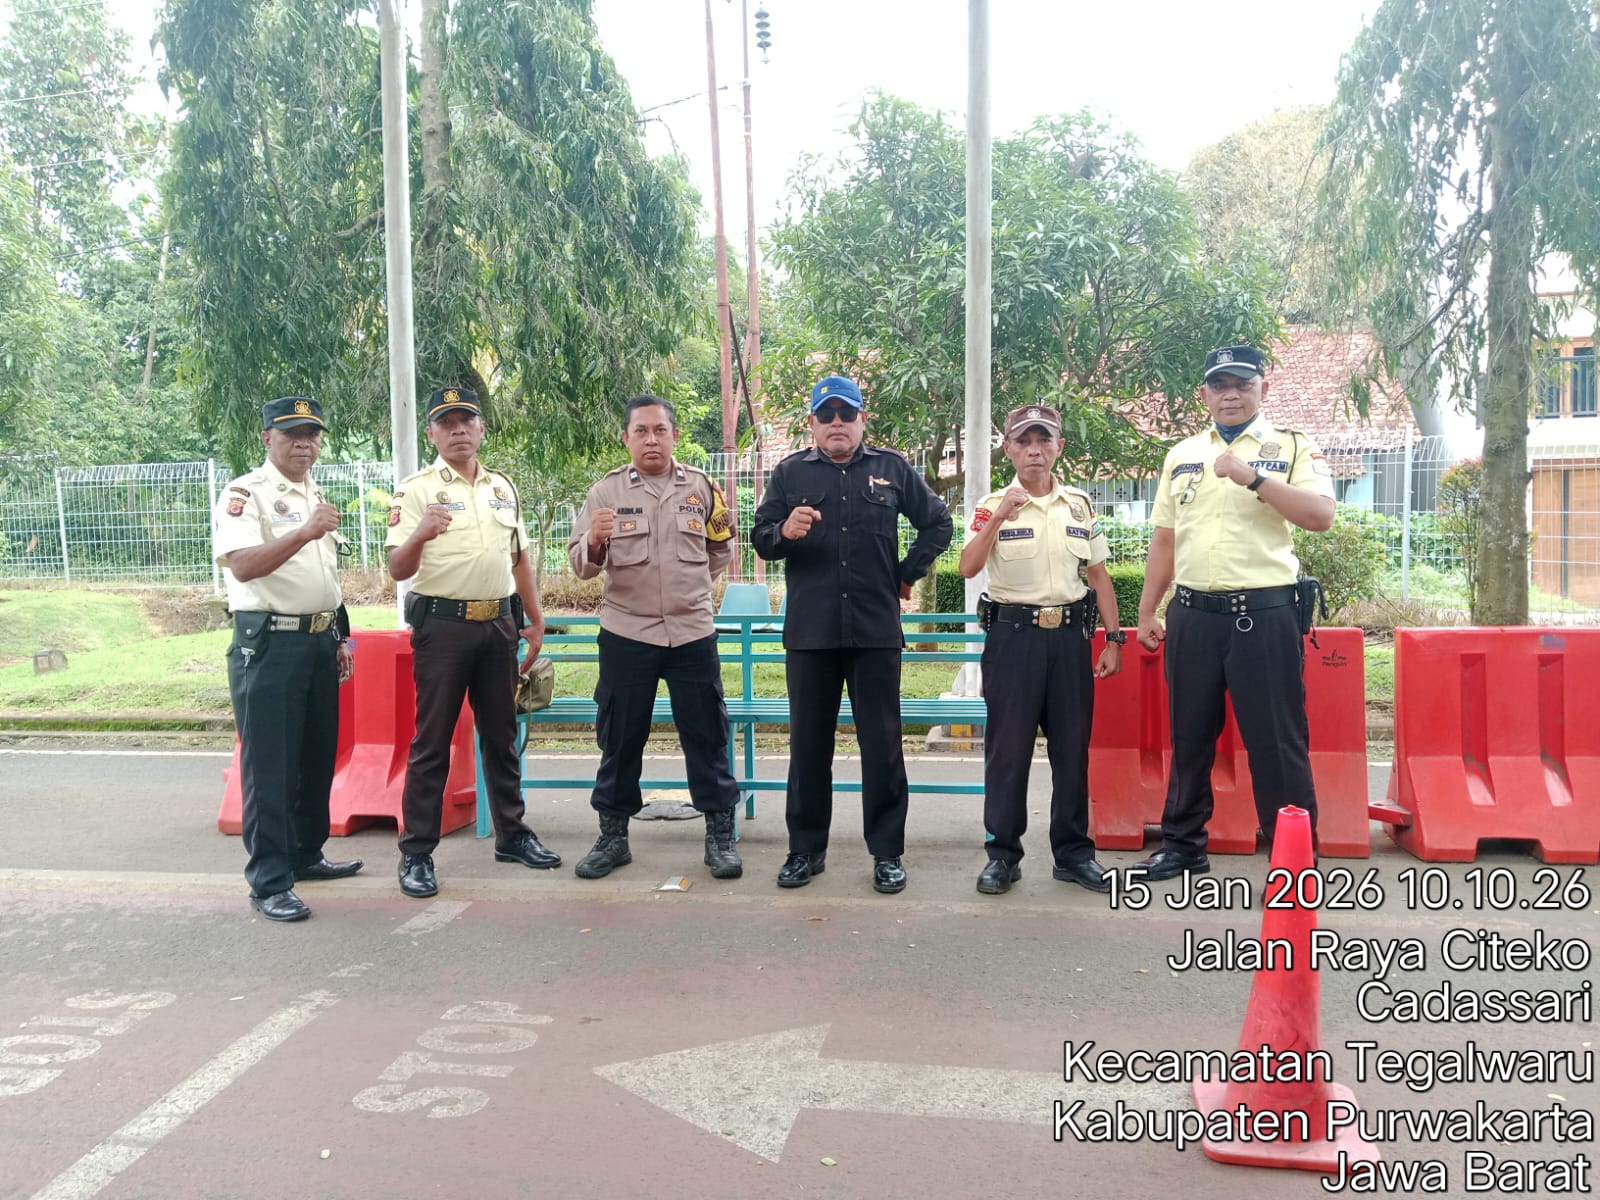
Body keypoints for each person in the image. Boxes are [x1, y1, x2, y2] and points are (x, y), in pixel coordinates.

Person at [1133, 345, 1336, 880]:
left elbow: (1321, 516)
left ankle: (1294, 858)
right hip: (1193, 615)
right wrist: (1148, 609)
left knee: (1277, 742)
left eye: (1242, 384)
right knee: (1190, 737)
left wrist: (1255, 479)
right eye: (1220, 385)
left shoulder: (1291, 445)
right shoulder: (1182, 454)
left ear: (1263, 389)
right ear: (1203, 394)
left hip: (1263, 614)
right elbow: (1165, 539)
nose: (1230, 395)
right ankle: (1183, 845)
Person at [752, 374, 953, 893]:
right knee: (808, 747)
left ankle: (887, 853)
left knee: (882, 747)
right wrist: (784, 532)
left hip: (874, 631)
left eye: (847, 413)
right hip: (811, 633)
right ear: (813, 423)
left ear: (863, 419)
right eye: (827, 415)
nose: (836, 423)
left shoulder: (892, 469)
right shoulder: (790, 472)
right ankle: (805, 850)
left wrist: (906, 573)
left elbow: (938, 524)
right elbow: (761, 539)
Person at [386, 386, 558, 897]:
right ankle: (417, 852)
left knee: (502, 736)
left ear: (482, 428)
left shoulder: (501, 486)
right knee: (432, 741)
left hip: (499, 627)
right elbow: (397, 568)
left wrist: (534, 618)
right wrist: (421, 533)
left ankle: (512, 834)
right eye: (447, 422)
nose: (458, 430)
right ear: (432, 433)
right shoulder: (416, 490)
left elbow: (518, 558)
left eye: (466, 420)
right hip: (443, 628)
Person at [565, 396, 744, 880]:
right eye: (641, 431)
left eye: (660, 430)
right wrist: (595, 540)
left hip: (691, 633)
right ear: (626, 438)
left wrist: (689, 591)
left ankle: (720, 837)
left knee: (706, 737)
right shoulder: (605, 492)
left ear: (675, 436)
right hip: (628, 632)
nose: (651, 439)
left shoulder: (702, 488)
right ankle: (613, 837)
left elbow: (720, 549)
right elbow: (580, 565)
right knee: (620, 738)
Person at [958, 404, 1125, 895]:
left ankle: (1073, 854)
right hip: (1014, 640)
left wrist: (1114, 638)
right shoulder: (992, 504)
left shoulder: (1079, 506)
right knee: (1008, 753)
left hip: (1070, 640)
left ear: (1058, 448)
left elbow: (1098, 575)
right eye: (1024, 441)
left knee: (1071, 753)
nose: (1034, 450)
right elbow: (968, 567)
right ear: (1008, 449)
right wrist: (999, 517)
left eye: (1043, 440)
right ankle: (1002, 856)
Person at [213, 396, 361, 922]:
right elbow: (243, 567)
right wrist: (302, 532)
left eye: (312, 434)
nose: (304, 444)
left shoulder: (312, 493)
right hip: (270, 644)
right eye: (291, 434)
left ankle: (305, 853)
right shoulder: (245, 494)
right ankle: (270, 881)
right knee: (271, 766)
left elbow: (324, 579)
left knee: (316, 757)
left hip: (319, 641)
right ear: (267, 438)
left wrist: (340, 638)